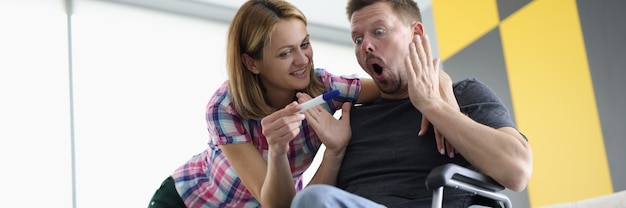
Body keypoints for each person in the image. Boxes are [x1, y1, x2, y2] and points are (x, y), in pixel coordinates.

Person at [290, 0, 534, 207]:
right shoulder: (351, 119)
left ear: (415, 34)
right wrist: (334, 152)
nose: (365, 45)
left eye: (379, 31)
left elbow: (517, 171)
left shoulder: (462, 95)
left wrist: (432, 106)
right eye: (357, 39)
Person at [146, 0, 383, 207]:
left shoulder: (324, 87)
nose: (302, 60)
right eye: (285, 53)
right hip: (188, 202)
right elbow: (273, 203)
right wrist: (277, 150)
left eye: (304, 44)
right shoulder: (225, 108)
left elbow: (390, 86)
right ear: (252, 63)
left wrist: (422, 102)